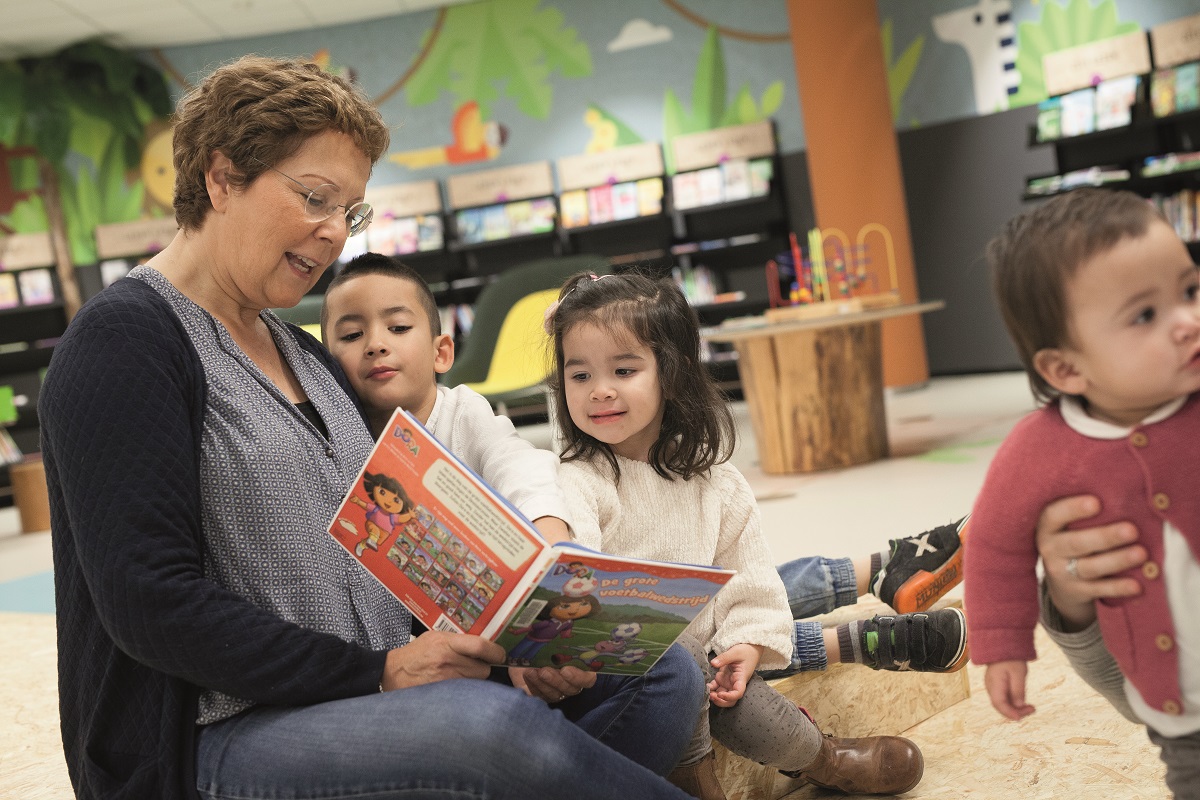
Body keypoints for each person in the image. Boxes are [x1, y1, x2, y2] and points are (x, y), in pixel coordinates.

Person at [39, 55, 705, 800]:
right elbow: (148, 604)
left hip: (375, 684)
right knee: (490, 732)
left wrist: (513, 645)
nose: (333, 235)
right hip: (217, 737)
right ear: (221, 178)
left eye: (349, 212)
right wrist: (381, 673)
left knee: (661, 670)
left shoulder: (305, 353)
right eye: (315, 198)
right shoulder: (125, 342)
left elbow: (389, 548)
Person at [323, 252, 969, 679]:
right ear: (321, 360)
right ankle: (880, 576)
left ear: (439, 347)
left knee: (708, 610)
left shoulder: (465, 412)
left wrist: (552, 534)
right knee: (699, 615)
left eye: (394, 327)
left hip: (549, 588)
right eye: (350, 335)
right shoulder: (336, 436)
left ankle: (884, 572)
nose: (374, 343)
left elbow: (517, 463)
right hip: (476, 638)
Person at [543, 270, 964, 799]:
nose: (599, 390)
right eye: (578, 376)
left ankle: (825, 760)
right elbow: (579, 583)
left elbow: (751, 580)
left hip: (712, 666)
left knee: (745, 706)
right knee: (688, 680)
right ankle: (697, 777)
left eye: (624, 370)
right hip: (634, 685)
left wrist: (746, 643)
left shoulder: (717, 483)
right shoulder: (575, 480)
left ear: (670, 374)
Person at [965, 188, 1200, 797]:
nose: (1187, 321)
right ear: (1067, 369)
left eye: (1190, 291)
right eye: (1145, 315)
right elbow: (994, 546)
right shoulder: (1040, 450)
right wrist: (1004, 646)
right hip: (1184, 720)